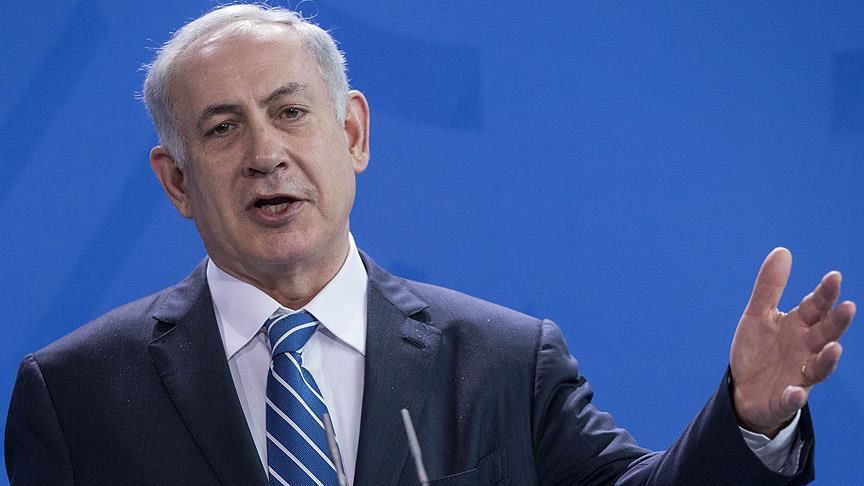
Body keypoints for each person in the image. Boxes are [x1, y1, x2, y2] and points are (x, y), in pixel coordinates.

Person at [5, 4, 855, 485]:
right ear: (177, 182)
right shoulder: (75, 395)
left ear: (353, 133)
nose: (266, 153)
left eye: (291, 112)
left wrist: (750, 420)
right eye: (222, 128)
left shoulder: (505, 363)